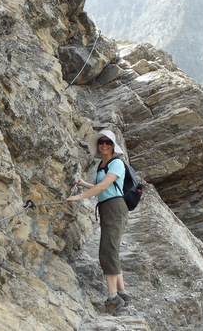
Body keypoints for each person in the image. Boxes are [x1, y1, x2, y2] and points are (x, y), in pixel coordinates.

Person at [66, 129, 130, 314]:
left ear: (113, 146)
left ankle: (113, 298)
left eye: (108, 142)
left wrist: (80, 197)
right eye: (101, 142)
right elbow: (100, 187)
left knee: (107, 250)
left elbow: (104, 186)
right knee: (112, 249)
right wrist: (83, 184)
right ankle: (122, 293)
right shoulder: (103, 165)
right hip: (107, 207)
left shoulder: (117, 163)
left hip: (114, 207)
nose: (104, 145)